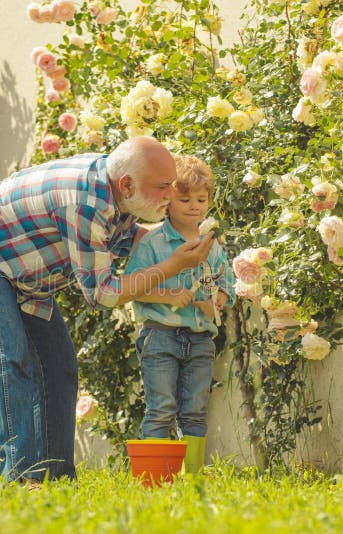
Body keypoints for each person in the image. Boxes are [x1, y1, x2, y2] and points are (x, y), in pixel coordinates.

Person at [0, 137, 215, 486]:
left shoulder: (117, 190)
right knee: (10, 357)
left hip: (23, 273)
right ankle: (18, 480)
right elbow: (105, 294)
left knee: (59, 363)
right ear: (127, 184)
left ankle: (56, 476)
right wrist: (173, 264)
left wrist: (182, 238)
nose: (169, 196)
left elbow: (132, 236)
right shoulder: (84, 203)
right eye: (162, 188)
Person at [124, 155, 235, 474]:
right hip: (161, 337)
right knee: (161, 409)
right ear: (167, 201)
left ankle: (194, 481)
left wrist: (215, 302)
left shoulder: (211, 246)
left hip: (200, 341)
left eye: (201, 199)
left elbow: (225, 282)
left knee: (195, 412)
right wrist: (169, 294)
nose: (194, 206)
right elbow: (132, 287)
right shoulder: (153, 242)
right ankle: (153, 481)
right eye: (184, 199)